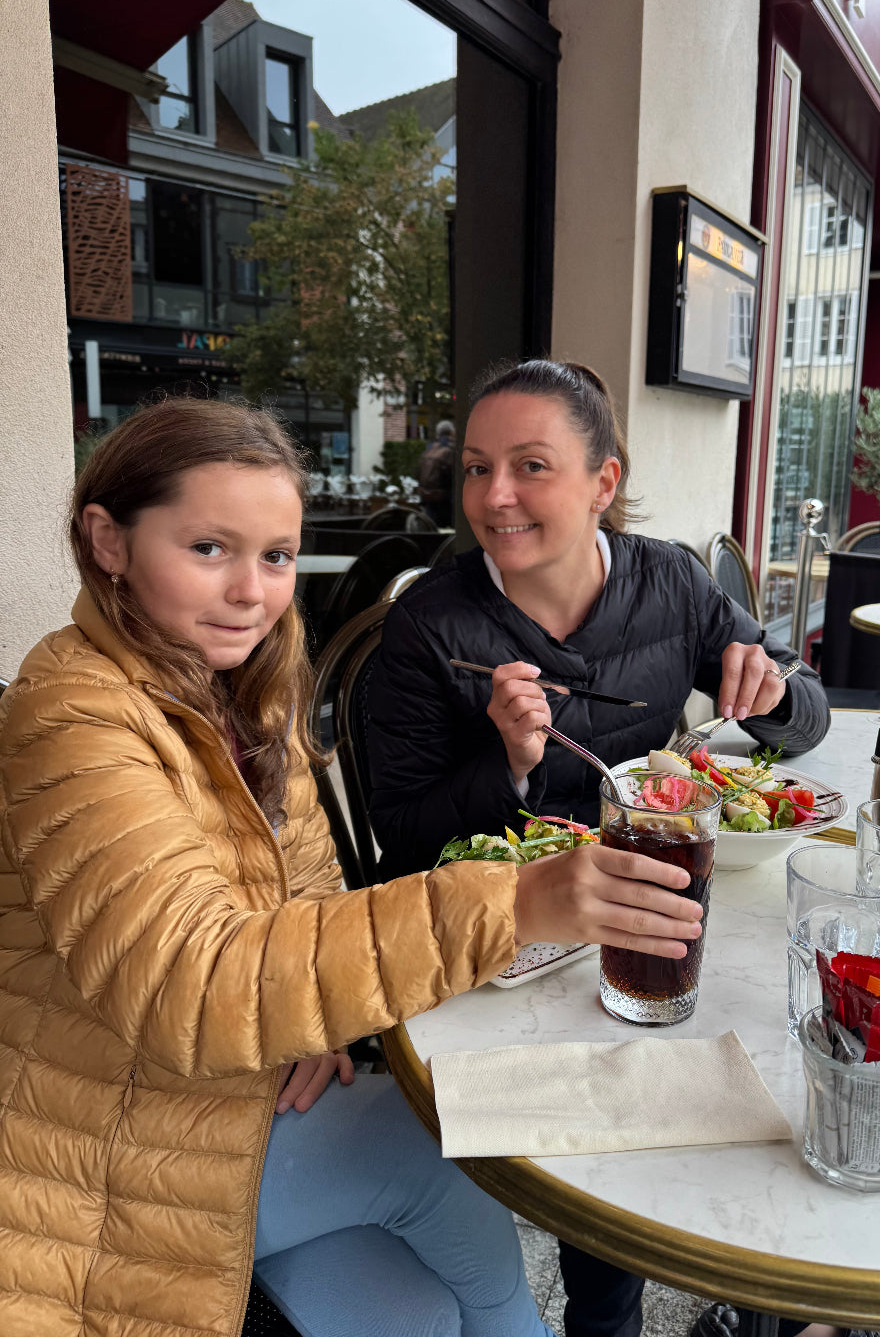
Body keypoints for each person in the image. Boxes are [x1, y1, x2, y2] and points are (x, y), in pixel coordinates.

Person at [0, 397, 708, 1337]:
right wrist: (515, 900)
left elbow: (308, 878)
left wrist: (315, 1020)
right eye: (208, 548)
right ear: (109, 542)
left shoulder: (236, 685)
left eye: (277, 557)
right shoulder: (73, 717)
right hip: (88, 1151)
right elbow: (188, 978)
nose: (251, 590)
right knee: (439, 1163)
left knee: (414, 1312)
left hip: (225, 1096)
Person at [364, 360, 832, 1337]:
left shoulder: (670, 581)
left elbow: (802, 723)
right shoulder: (427, 628)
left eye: (530, 466)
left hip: (670, 900)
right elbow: (401, 833)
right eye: (478, 468)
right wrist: (509, 761)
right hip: (519, 952)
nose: (494, 496)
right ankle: (606, 1315)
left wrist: (776, 689)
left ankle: (776, 1302)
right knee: (608, 1161)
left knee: (795, 1072)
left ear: (601, 483)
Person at [418, 419, 456, 527]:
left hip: (428, 497)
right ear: (452, 432)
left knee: (433, 529)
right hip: (446, 500)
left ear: (437, 433)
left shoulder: (429, 448)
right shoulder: (452, 449)